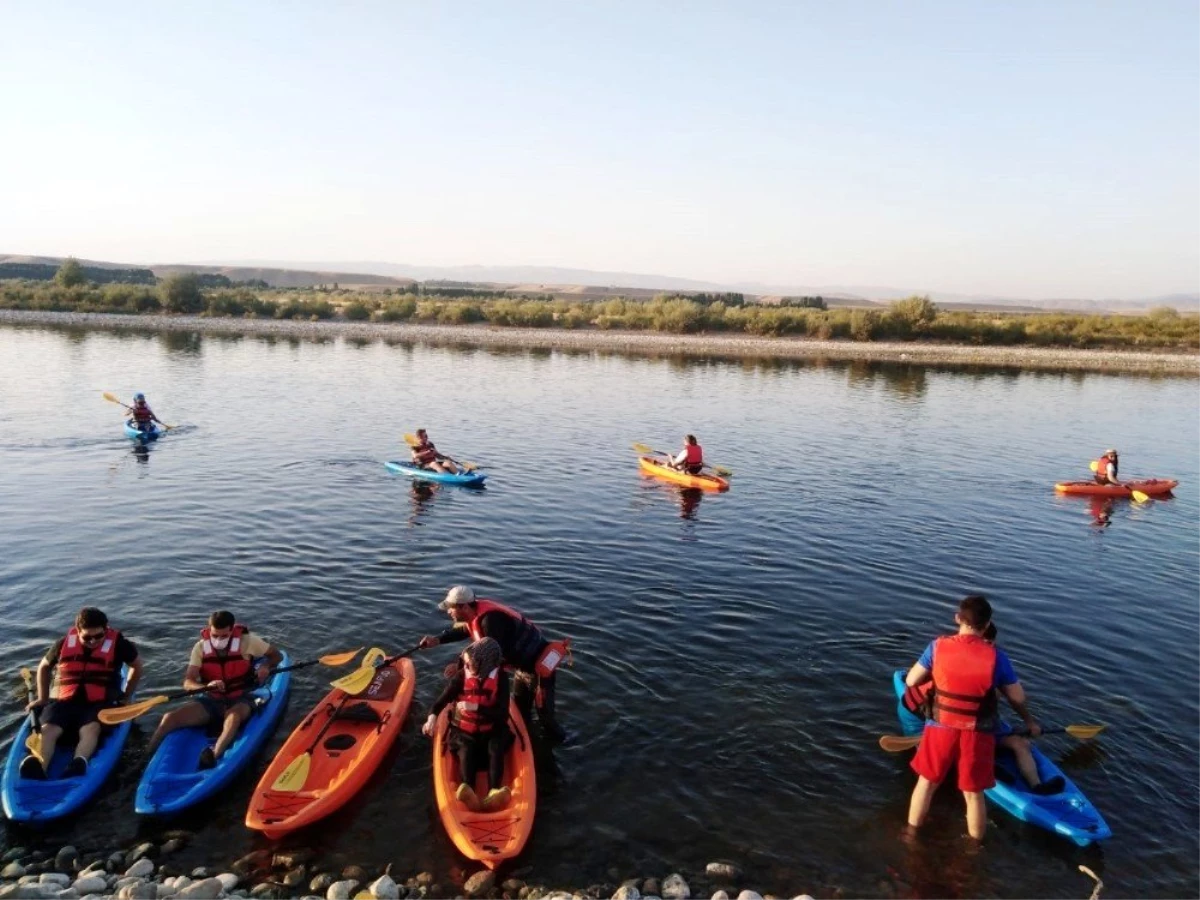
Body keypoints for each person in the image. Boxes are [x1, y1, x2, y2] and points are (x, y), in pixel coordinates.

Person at [904, 594, 1045, 840]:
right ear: (988, 624)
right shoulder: (997, 657)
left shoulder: (937, 647)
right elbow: (1017, 697)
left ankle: (911, 835)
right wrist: (1030, 722)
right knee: (973, 793)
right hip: (977, 731)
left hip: (940, 726)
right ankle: (973, 848)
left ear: (958, 618)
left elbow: (911, 680)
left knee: (926, 784)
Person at [901, 622, 1065, 797]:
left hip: (964, 720)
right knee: (951, 756)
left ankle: (1037, 786)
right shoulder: (950, 664)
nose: (988, 649)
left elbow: (1006, 699)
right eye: (986, 643)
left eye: (991, 645)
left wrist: (1028, 724)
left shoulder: (983, 662)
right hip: (926, 716)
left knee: (1020, 742)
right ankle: (988, 768)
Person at [419, 585, 571, 745]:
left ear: (463, 606)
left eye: (450, 608)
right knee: (521, 711)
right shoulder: (475, 614)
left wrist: (459, 666)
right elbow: (464, 630)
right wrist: (437, 640)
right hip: (522, 668)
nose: (448, 612)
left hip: (539, 672)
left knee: (546, 718)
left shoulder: (491, 621)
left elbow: (489, 655)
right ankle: (531, 744)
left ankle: (565, 742)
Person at [145, 610, 282, 769]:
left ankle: (213, 755)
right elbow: (188, 682)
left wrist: (265, 666)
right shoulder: (200, 647)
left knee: (233, 717)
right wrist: (206, 686)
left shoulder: (248, 641)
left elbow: (276, 655)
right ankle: (147, 756)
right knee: (169, 718)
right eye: (214, 635)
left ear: (231, 630)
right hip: (212, 699)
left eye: (223, 636)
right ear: (209, 630)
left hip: (241, 696)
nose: (218, 640)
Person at [21, 607, 142, 779]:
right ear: (77, 631)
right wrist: (42, 698)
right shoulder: (63, 644)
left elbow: (137, 666)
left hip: (98, 701)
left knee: (90, 729)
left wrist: (127, 696)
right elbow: (44, 667)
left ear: (106, 629)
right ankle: (39, 765)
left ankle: (79, 761)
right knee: (48, 729)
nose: (93, 641)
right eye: (87, 637)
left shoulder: (120, 645)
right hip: (65, 700)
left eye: (98, 636)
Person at [422, 637, 512, 812]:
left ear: (484, 663)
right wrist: (431, 717)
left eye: (470, 663)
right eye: (466, 662)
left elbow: (502, 714)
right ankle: (468, 789)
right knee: (466, 749)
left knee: (495, 747)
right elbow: (441, 701)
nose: (467, 666)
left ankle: (494, 791)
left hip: (492, 728)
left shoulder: (501, 679)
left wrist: (476, 707)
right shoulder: (462, 676)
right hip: (464, 731)